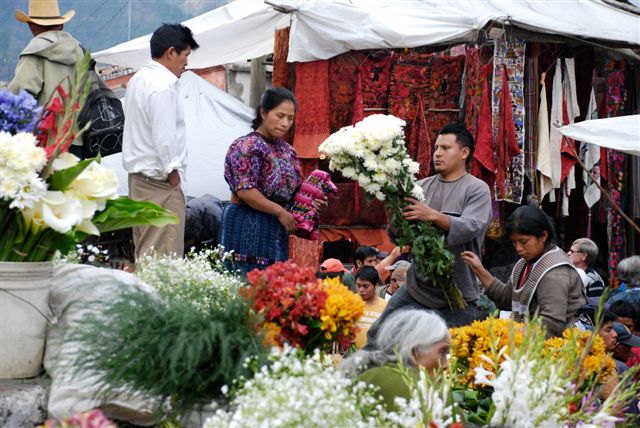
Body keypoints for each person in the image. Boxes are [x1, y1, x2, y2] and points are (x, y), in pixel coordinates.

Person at [364, 124, 492, 349]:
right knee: (378, 337)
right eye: (435, 148)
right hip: (417, 289)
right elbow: (398, 237)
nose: (437, 153)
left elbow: (472, 226)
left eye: (445, 148)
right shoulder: (420, 188)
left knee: (452, 353)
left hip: (457, 294)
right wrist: (396, 215)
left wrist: (431, 215)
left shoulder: (476, 189)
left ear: (464, 152)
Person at [122, 23, 199, 261]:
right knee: (163, 259)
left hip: (139, 182)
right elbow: (164, 135)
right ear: (171, 52)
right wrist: (172, 171)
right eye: (185, 55)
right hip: (159, 184)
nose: (186, 63)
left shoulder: (139, 78)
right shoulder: (162, 86)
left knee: (146, 252)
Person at [222, 88, 313, 274]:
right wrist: (279, 211)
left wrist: (310, 203)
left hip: (277, 227)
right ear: (263, 112)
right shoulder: (246, 146)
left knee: (274, 285)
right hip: (247, 221)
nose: (285, 123)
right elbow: (245, 190)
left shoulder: (288, 150)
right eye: (280, 115)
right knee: (245, 283)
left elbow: (294, 189)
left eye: (290, 118)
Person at [461, 205, 586, 337]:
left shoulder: (555, 273)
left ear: (543, 235)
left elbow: (551, 324)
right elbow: (507, 297)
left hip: (561, 347)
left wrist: (511, 335)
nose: (518, 248)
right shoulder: (525, 263)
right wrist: (479, 269)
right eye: (514, 243)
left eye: (523, 241)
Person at [8, 0, 87, 157]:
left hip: (50, 142)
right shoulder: (81, 51)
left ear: (32, 26)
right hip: (83, 138)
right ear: (62, 25)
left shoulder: (33, 54)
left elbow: (18, 98)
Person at [342, 310, 450, 411]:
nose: (446, 365)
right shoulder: (434, 399)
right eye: (442, 352)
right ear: (414, 352)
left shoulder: (364, 377)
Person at [354, 266, 387, 349]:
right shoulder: (349, 302)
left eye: (365, 286)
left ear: (376, 285)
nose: (361, 290)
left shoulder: (386, 307)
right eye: (358, 285)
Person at [568, 238, 605, 302]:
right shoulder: (573, 273)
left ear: (584, 256)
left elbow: (595, 308)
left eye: (572, 251)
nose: (568, 253)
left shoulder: (593, 280)